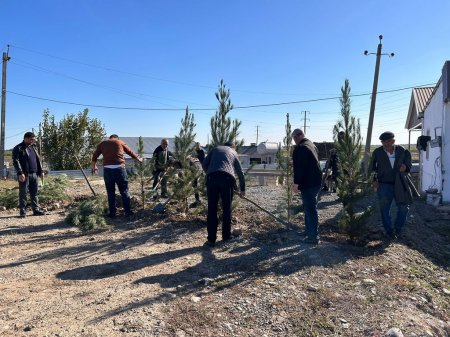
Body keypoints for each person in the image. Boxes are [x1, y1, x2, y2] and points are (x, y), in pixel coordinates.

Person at [202, 141, 245, 247]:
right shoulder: (233, 152)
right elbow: (239, 172)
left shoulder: (215, 149)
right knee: (227, 208)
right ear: (233, 147)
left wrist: (210, 172)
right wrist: (242, 189)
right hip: (226, 180)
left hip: (212, 179)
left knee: (212, 209)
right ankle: (226, 236)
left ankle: (211, 240)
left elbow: (204, 164)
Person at [371, 131, 413, 239]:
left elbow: (409, 166)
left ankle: (398, 228)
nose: (386, 143)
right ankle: (389, 231)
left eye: (388, 141)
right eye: (384, 141)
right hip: (384, 184)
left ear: (393, 141)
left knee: (404, 208)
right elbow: (373, 168)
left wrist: (405, 168)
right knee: (384, 209)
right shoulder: (377, 152)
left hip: (400, 184)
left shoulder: (403, 151)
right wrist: (374, 179)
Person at [92, 134, 142, 217]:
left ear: (110, 138)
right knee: (124, 191)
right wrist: (138, 159)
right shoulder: (120, 142)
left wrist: (94, 166)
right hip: (120, 169)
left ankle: (112, 213)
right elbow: (130, 152)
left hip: (108, 170)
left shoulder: (103, 143)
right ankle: (127, 211)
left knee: (110, 192)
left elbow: (95, 155)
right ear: (117, 138)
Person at [292, 128, 322, 244]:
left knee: (310, 209)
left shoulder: (301, 148)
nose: (294, 140)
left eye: (294, 138)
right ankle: (308, 231)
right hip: (315, 182)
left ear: (298, 136)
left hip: (308, 183)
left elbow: (300, 168)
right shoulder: (311, 145)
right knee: (308, 207)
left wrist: (296, 183)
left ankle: (313, 236)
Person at [12, 132, 46, 218]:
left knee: (34, 193)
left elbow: (38, 160)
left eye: (34, 139)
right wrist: (20, 173)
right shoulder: (18, 148)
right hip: (25, 175)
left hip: (35, 174)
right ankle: (22, 212)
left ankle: (36, 210)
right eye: (31, 139)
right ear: (26, 138)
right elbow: (16, 161)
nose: (33, 141)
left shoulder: (33, 147)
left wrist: (41, 171)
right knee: (23, 193)